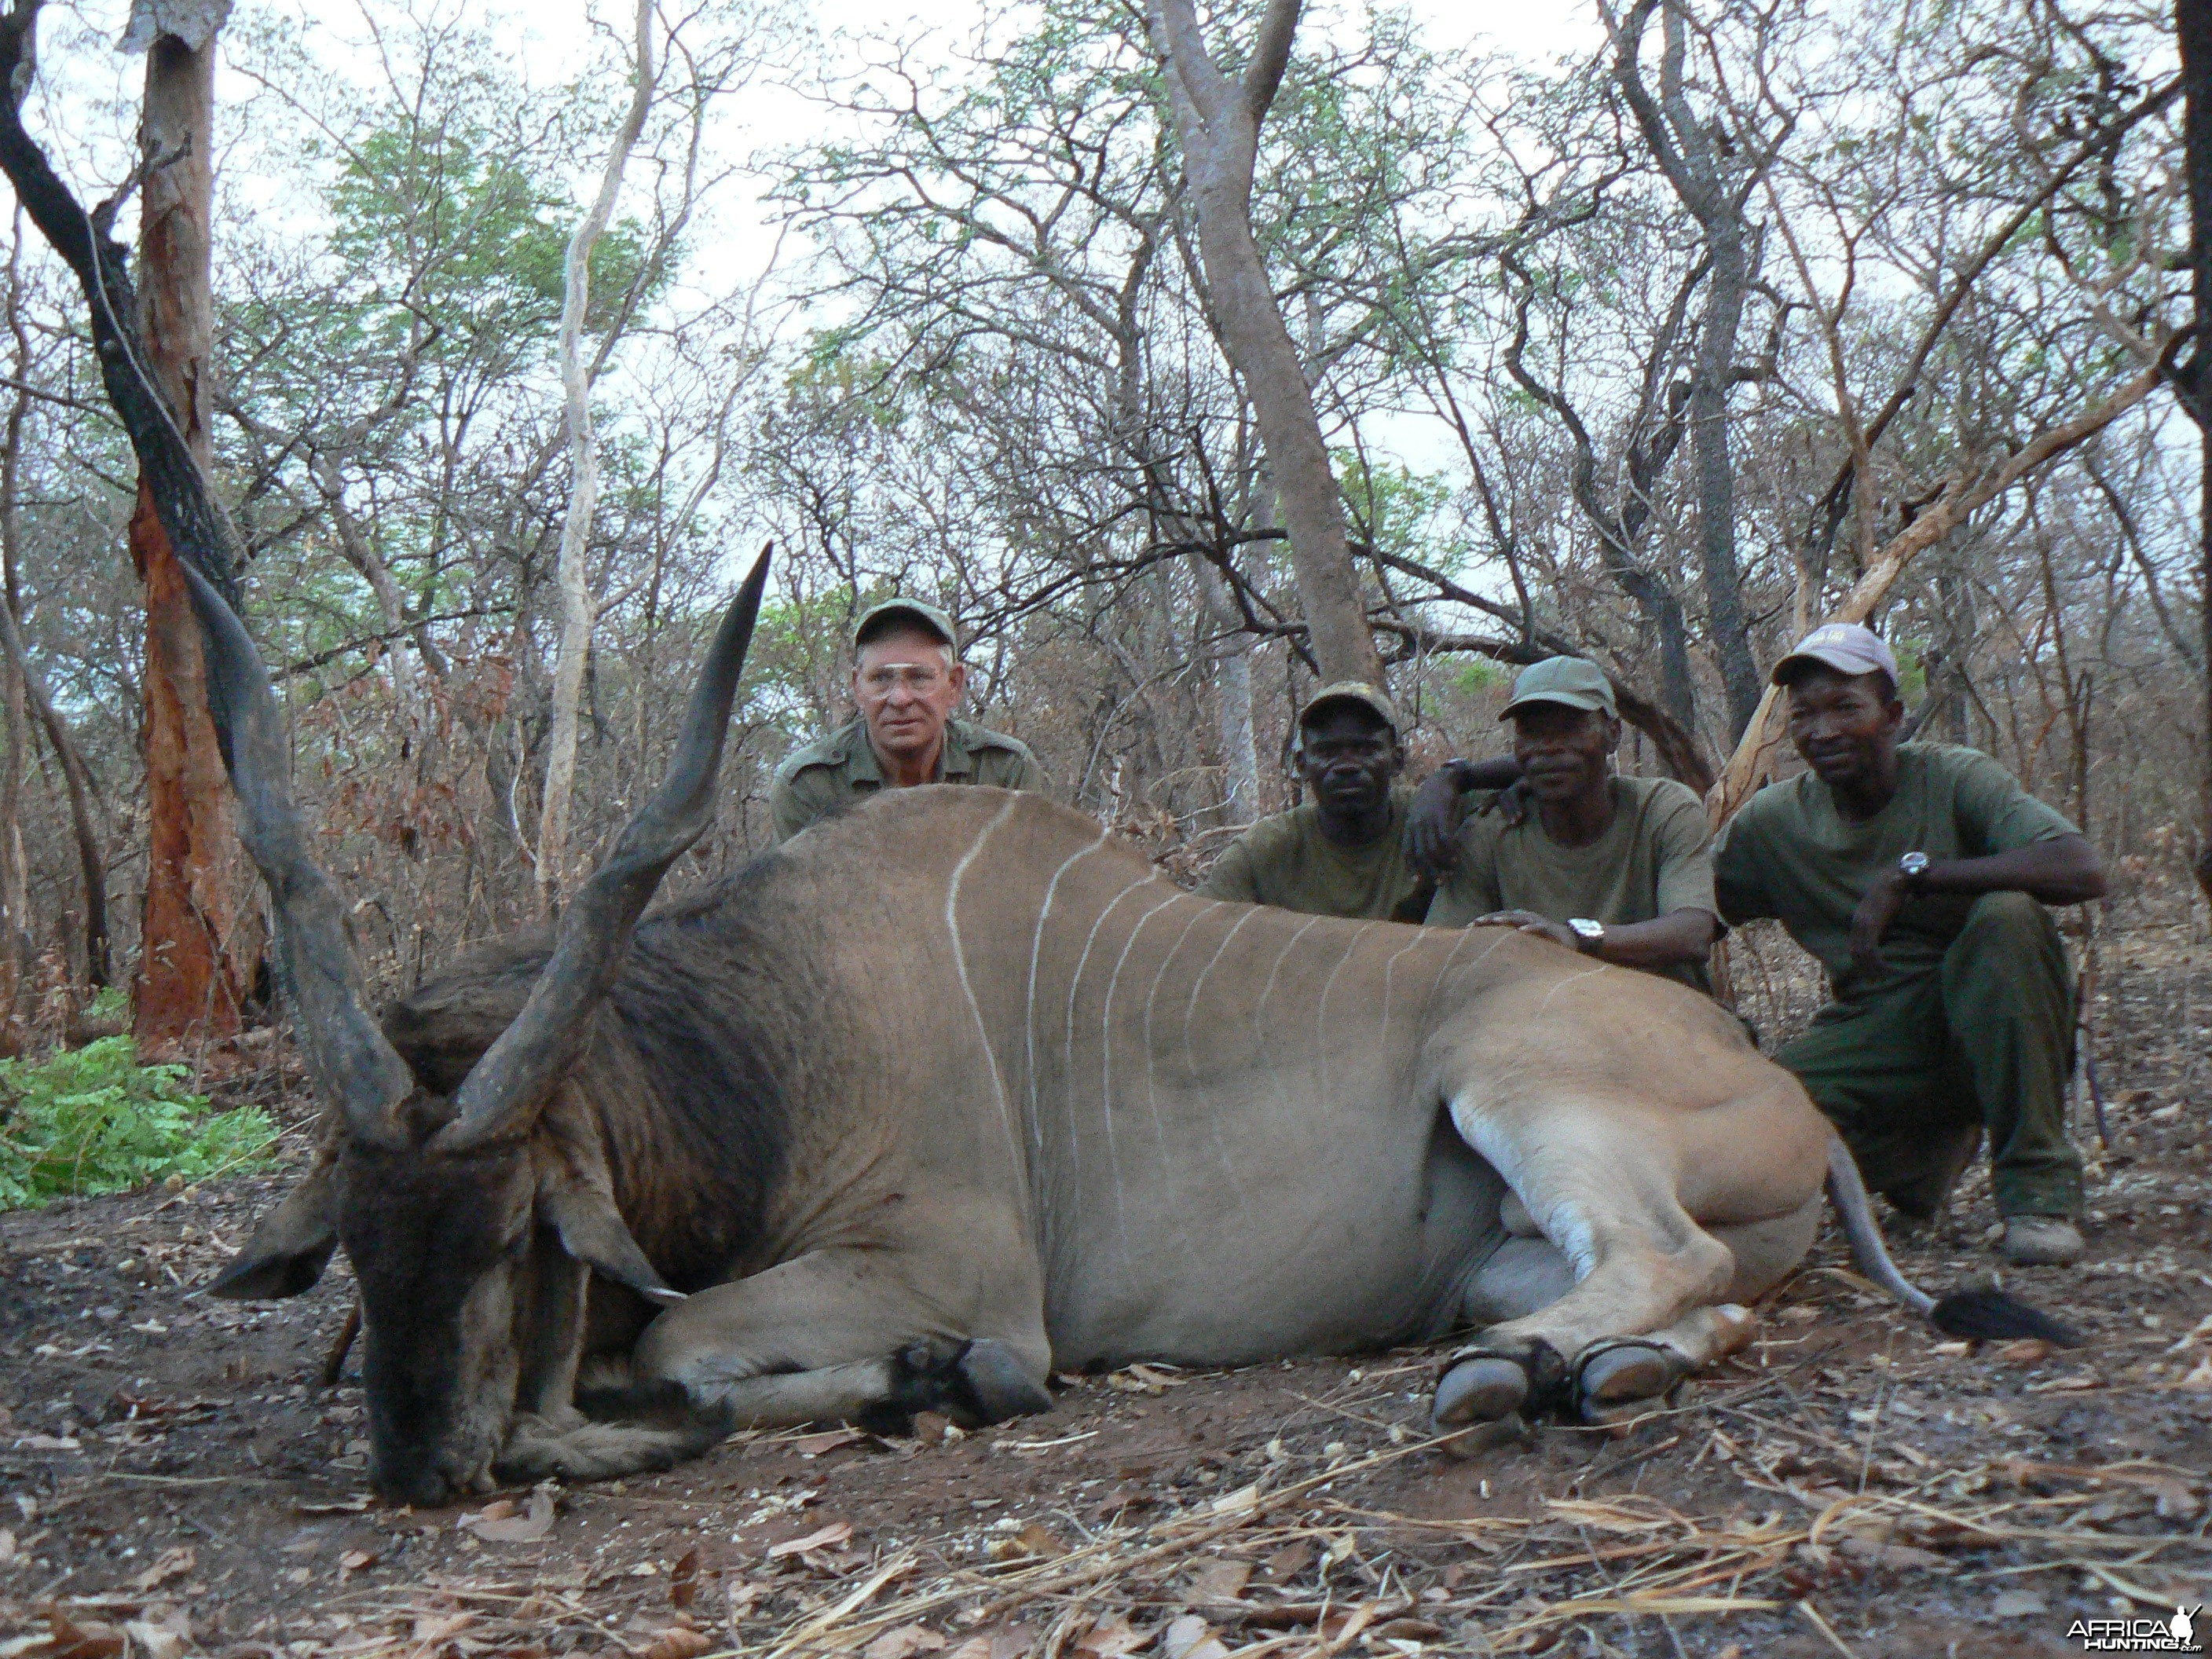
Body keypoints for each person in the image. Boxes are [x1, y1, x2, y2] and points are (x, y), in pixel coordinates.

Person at [1713, 622, 2107, 1266]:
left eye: (1846, 707)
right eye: (1805, 714)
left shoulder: (1955, 778)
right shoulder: (1774, 822)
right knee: (1758, 1125)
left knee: (2006, 918)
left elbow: (2081, 868)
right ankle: (1919, 1156)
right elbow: (1694, 910)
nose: (1823, 730)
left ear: (1892, 716)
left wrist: (1914, 876)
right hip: (1879, 1030)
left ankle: (2038, 1195)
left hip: (2000, 1019)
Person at [1418, 657, 1719, 989]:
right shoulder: (1490, 833)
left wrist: (1575, 937)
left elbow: (1693, 931)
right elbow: (1441, 956)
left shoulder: (1664, 809)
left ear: (1613, 733)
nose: (1548, 747)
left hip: (1666, 1017)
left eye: (1570, 727)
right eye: (1531, 732)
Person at [1199, 683, 1511, 920]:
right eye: (1327, 751)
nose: (1347, 765)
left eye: (1366, 749)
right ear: (1302, 765)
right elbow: (1194, 923)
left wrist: (1455, 776)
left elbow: (1545, 764)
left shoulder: (1432, 814)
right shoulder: (1265, 848)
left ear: (1397, 760)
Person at [770, 597, 1045, 843]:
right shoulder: (808, 786)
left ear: (954, 685)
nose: (900, 699)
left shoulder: (1006, 771)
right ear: (857, 687)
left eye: (919, 677)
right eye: (881, 679)